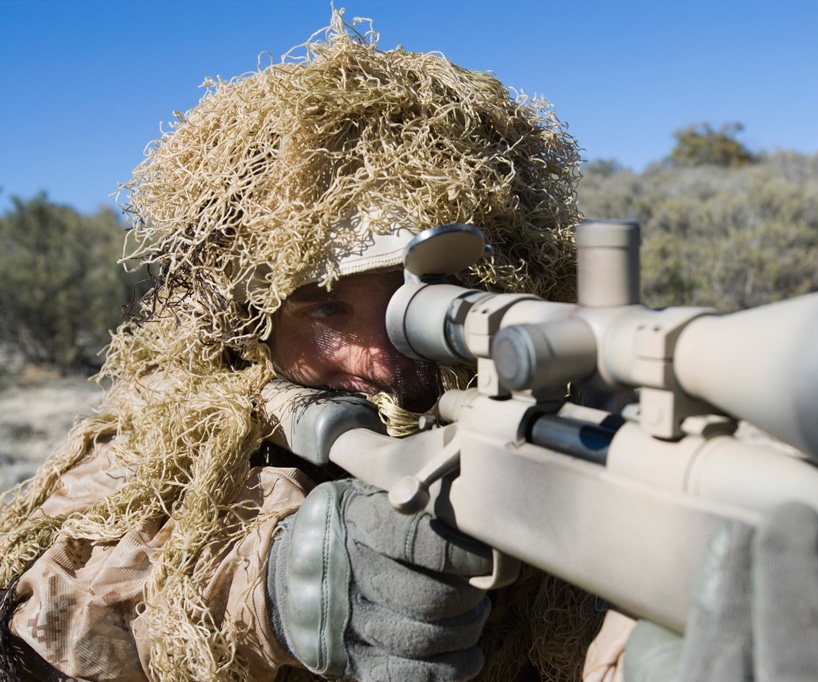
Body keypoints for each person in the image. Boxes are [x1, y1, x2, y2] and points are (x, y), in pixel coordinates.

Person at [0, 11, 602, 682]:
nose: (379, 356)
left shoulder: (528, 408)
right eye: (327, 307)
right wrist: (281, 585)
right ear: (250, 317)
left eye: (425, 298)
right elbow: (48, 592)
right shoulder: (176, 426)